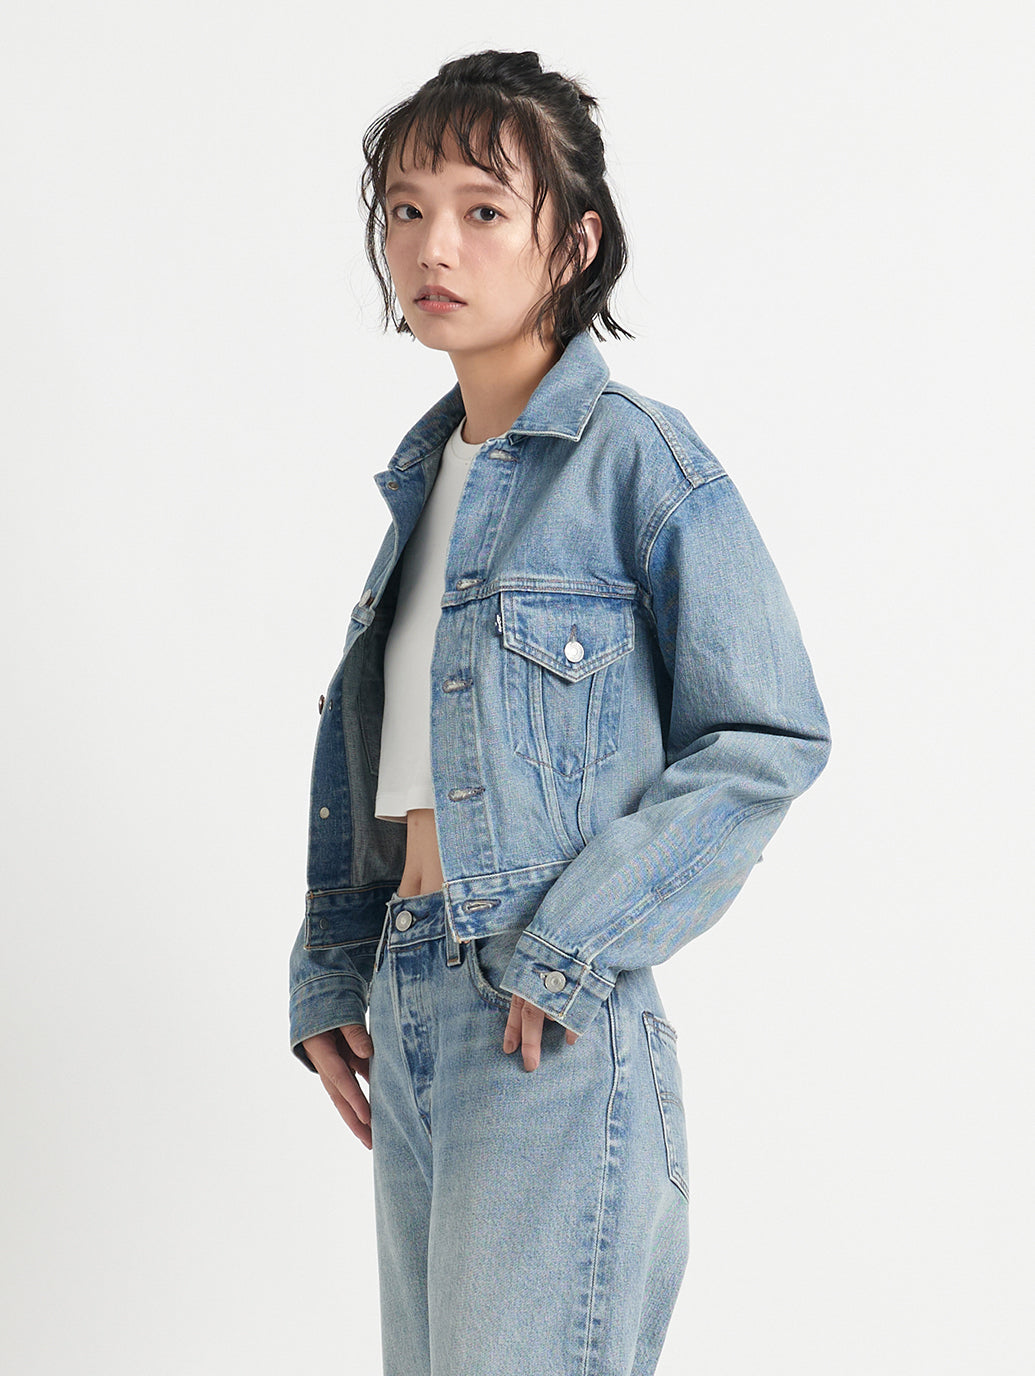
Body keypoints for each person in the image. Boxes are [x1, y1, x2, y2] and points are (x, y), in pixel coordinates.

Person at [288, 49, 831, 1376]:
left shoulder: (638, 460)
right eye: (406, 210)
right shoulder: (426, 483)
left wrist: (573, 944)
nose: (433, 246)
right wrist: (332, 970)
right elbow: (392, 774)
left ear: (573, 242)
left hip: (544, 1028)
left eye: (483, 209)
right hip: (410, 1000)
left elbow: (766, 734)